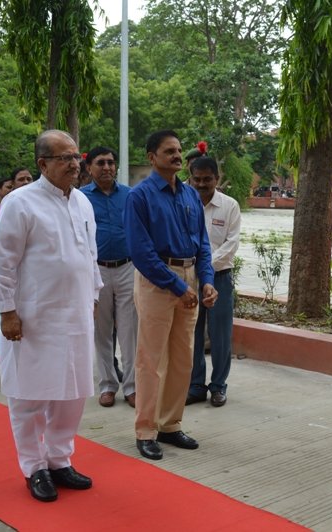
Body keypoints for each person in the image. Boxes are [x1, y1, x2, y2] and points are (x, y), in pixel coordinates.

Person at [0, 130, 102, 502]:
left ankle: (59, 459)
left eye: (76, 157)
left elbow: (90, 256)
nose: (74, 164)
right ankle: (34, 467)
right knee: (29, 396)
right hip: (34, 317)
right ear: (43, 164)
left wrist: (93, 296)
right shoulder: (20, 203)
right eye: (65, 158)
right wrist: (7, 311)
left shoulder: (82, 202)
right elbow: (1, 263)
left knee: (73, 394)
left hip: (77, 315)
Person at [124, 130, 217, 461]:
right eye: (169, 151)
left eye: (178, 150)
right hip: (157, 280)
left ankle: (170, 424)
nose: (177, 155)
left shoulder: (190, 195)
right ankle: (146, 430)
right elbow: (140, 251)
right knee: (151, 359)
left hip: (190, 276)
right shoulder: (139, 196)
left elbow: (202, 243)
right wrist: (177, 286)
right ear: (152, 157)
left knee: (183, 358)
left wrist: (206, 281)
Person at [80, 147, 138, 408]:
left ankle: (132, 387)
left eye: (111, 163)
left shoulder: (130, 195)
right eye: (100, 163)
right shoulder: (80, 198)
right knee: (101, 331)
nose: (107, 167)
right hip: (96, 270)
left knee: (130, 331)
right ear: (89, 168)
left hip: (128, 267)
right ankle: (107, 385)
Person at [186, 156, 241, 408]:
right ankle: (196, 386)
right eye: (196, 179)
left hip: (220, 277)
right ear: (190, 179)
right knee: (193, 333)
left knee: (220, 335)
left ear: (217, 179)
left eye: (207, 179)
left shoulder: (229, 206)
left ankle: (218, 386)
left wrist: (205, 266)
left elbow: (232, 243)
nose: (201, 184)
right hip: (190, 279)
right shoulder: (183, 202)